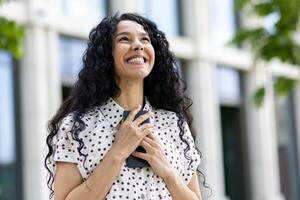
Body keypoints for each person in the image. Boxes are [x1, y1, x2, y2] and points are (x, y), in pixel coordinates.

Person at [45, 13, 202, 200]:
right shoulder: (78, 127)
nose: (138, 45)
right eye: (124, 39)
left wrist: (167, 171)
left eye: (145, 39)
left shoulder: (174, 125)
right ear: (107, 55)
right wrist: (117, 153)